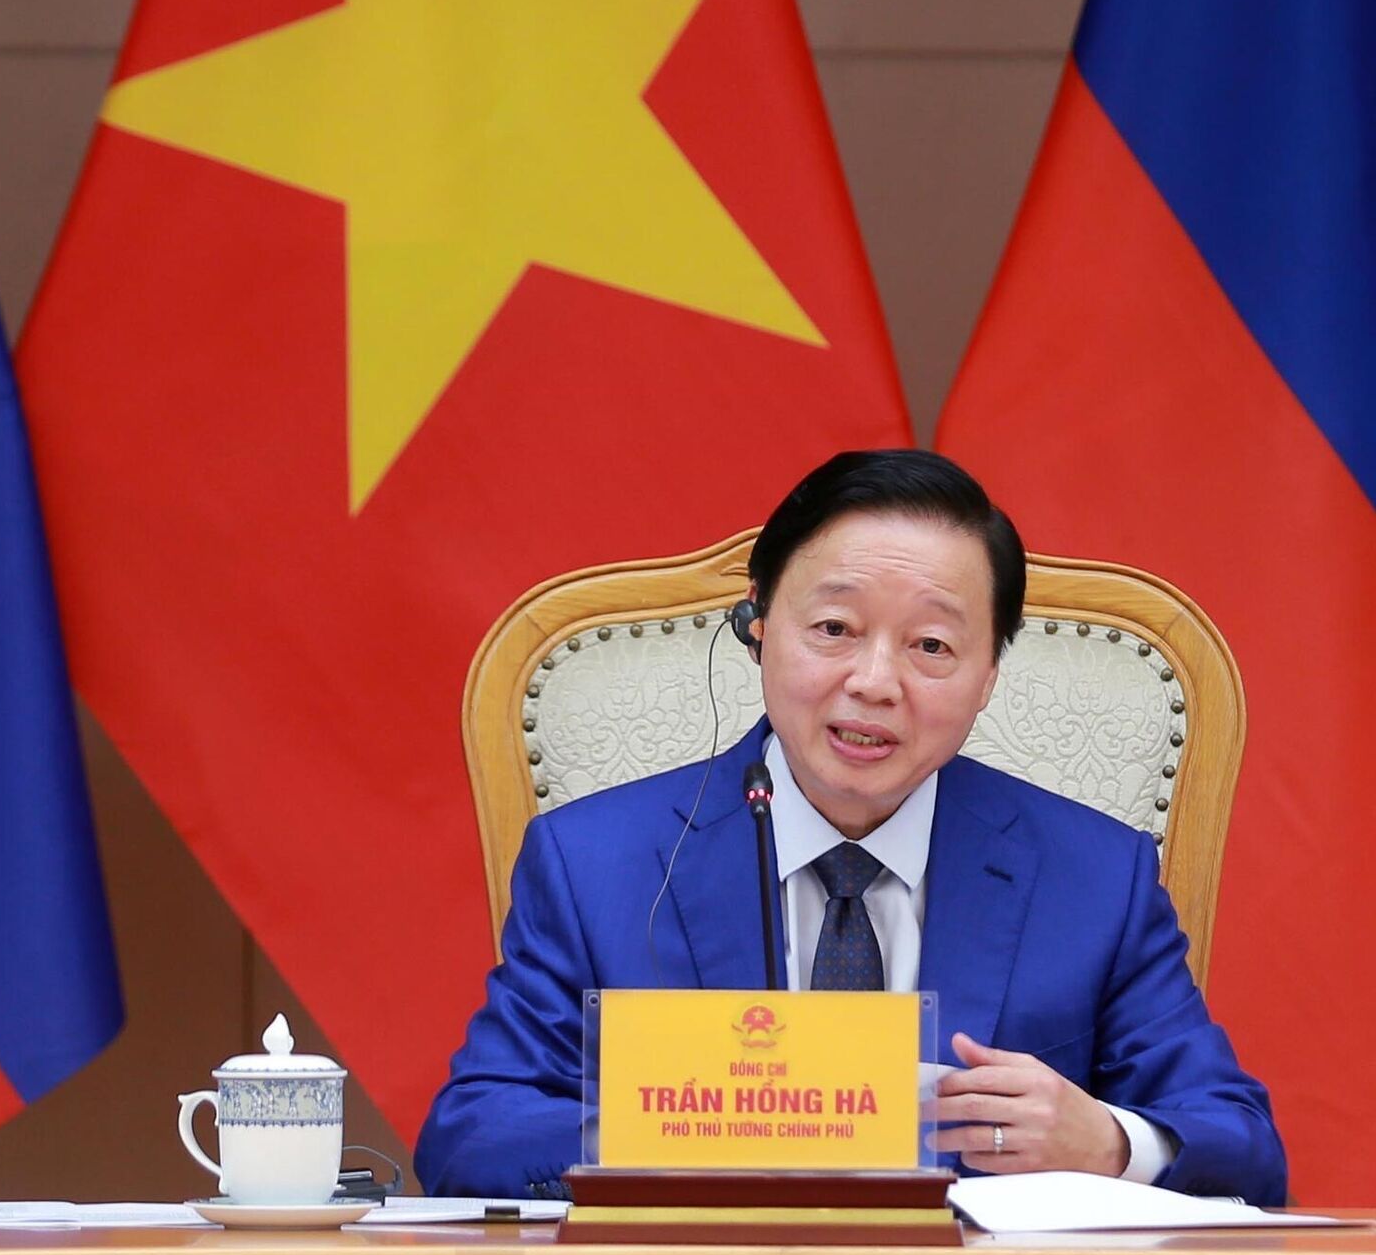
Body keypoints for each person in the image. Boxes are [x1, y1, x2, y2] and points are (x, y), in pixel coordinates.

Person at [415, 450, 1285, 1201]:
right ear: (758, 625)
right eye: (834, 628)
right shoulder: (595, 863)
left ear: (988, 675)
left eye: (931, 646)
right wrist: (691, 1130)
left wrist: (1110, 1144)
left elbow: (1243, 1146)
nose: (874, 682)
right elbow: (472, 1137)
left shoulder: (1095, 878)